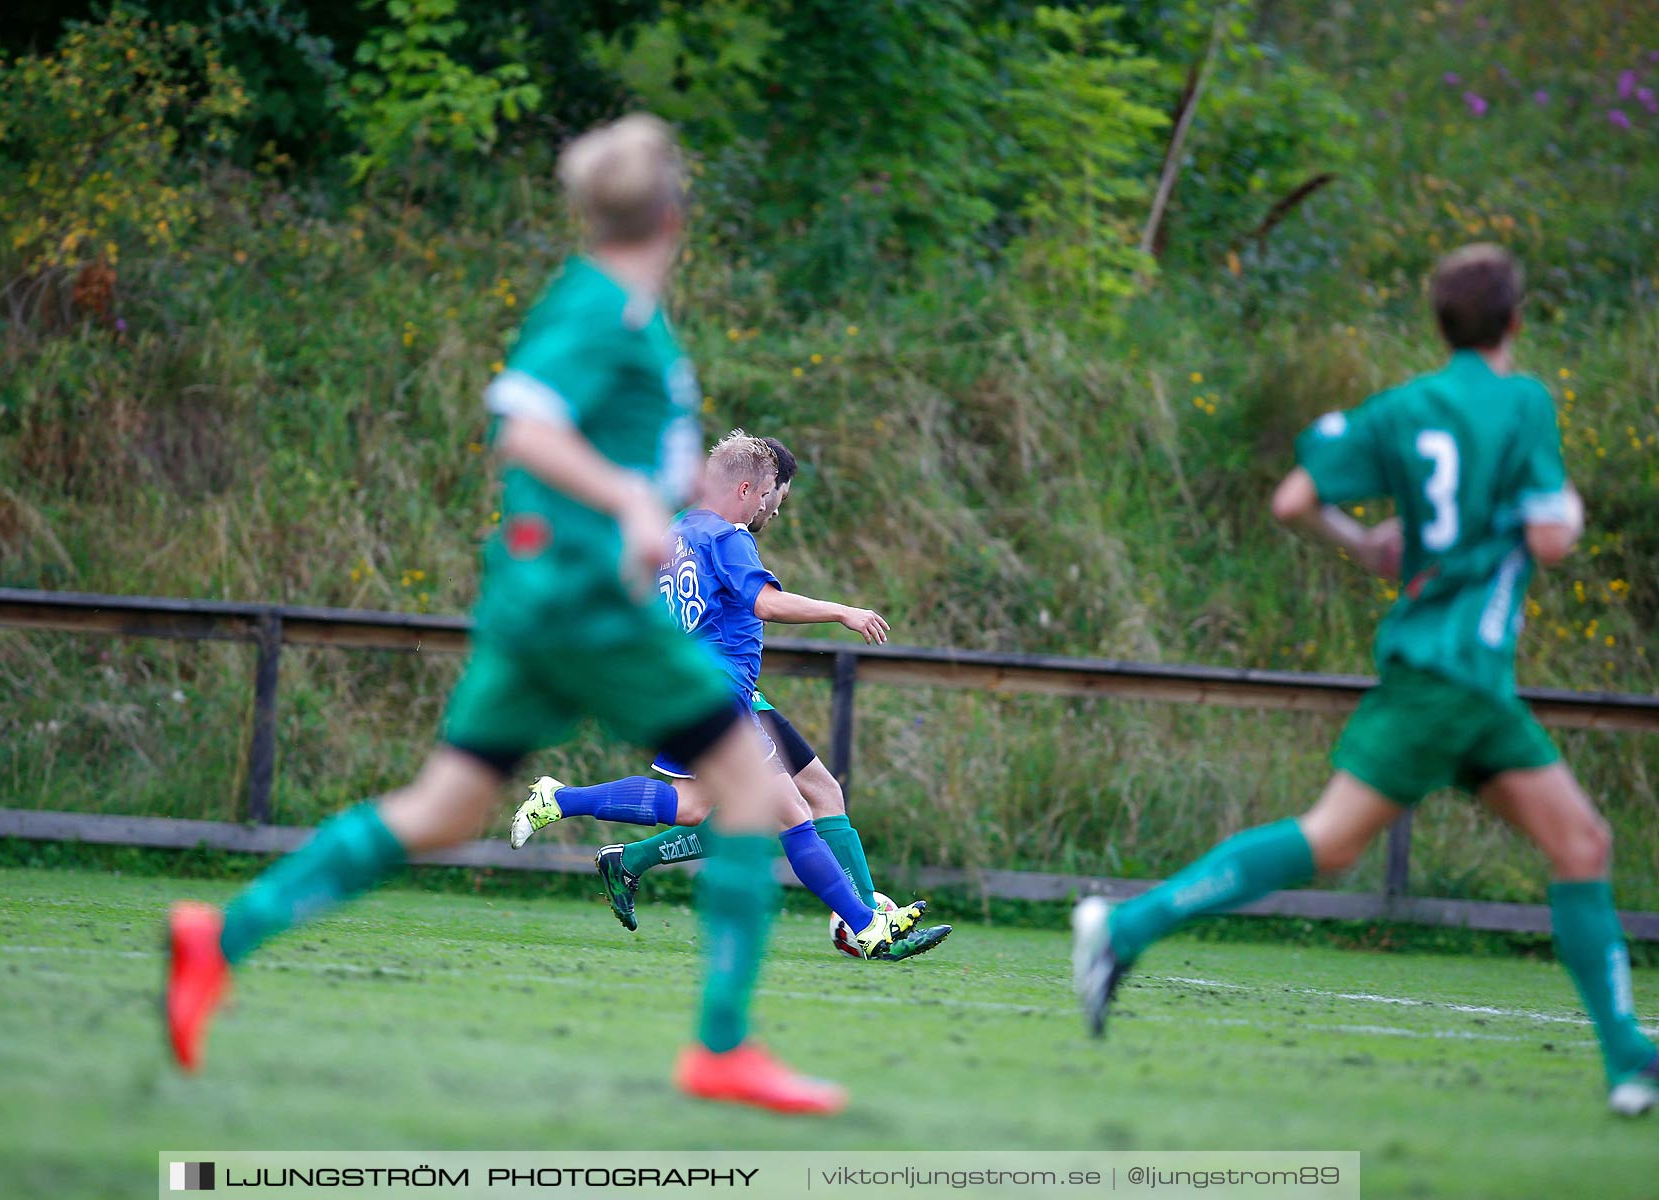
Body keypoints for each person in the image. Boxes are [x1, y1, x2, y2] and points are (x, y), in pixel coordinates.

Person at [164, 114, 903, 1115]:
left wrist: (649, 486)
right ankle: (723, 1044)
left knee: (445, 810)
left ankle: (222, 940)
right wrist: (633, 502)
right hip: (586, 599)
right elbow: (524, 431)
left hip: (544, 596)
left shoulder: (620, 311)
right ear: (676, 215)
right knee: (753, 790)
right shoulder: (602, 311)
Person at [1071, 243, 1659, 1117]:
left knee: (1577, 845)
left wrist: (1368, 543)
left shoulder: (1404, 409)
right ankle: (1121, 928)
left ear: (1439, 321)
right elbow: (1551, 541)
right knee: (1341, 839)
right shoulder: (1525, 402)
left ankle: (1627, 1063)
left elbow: (1293, 500)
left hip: (1455, 679)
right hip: (1451, 681)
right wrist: (1562, 507)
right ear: (1516, 321)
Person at [510, 432, 951, 961]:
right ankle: (867, 924)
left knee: (697, 807)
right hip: (717, 696)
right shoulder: (727, 536)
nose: (768, 508)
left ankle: (559, 799)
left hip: (680, 689)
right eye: (768, 496)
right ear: (746, 488)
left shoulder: (677, 532)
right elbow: (765, 603)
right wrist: (842, 611)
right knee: (791, 811)